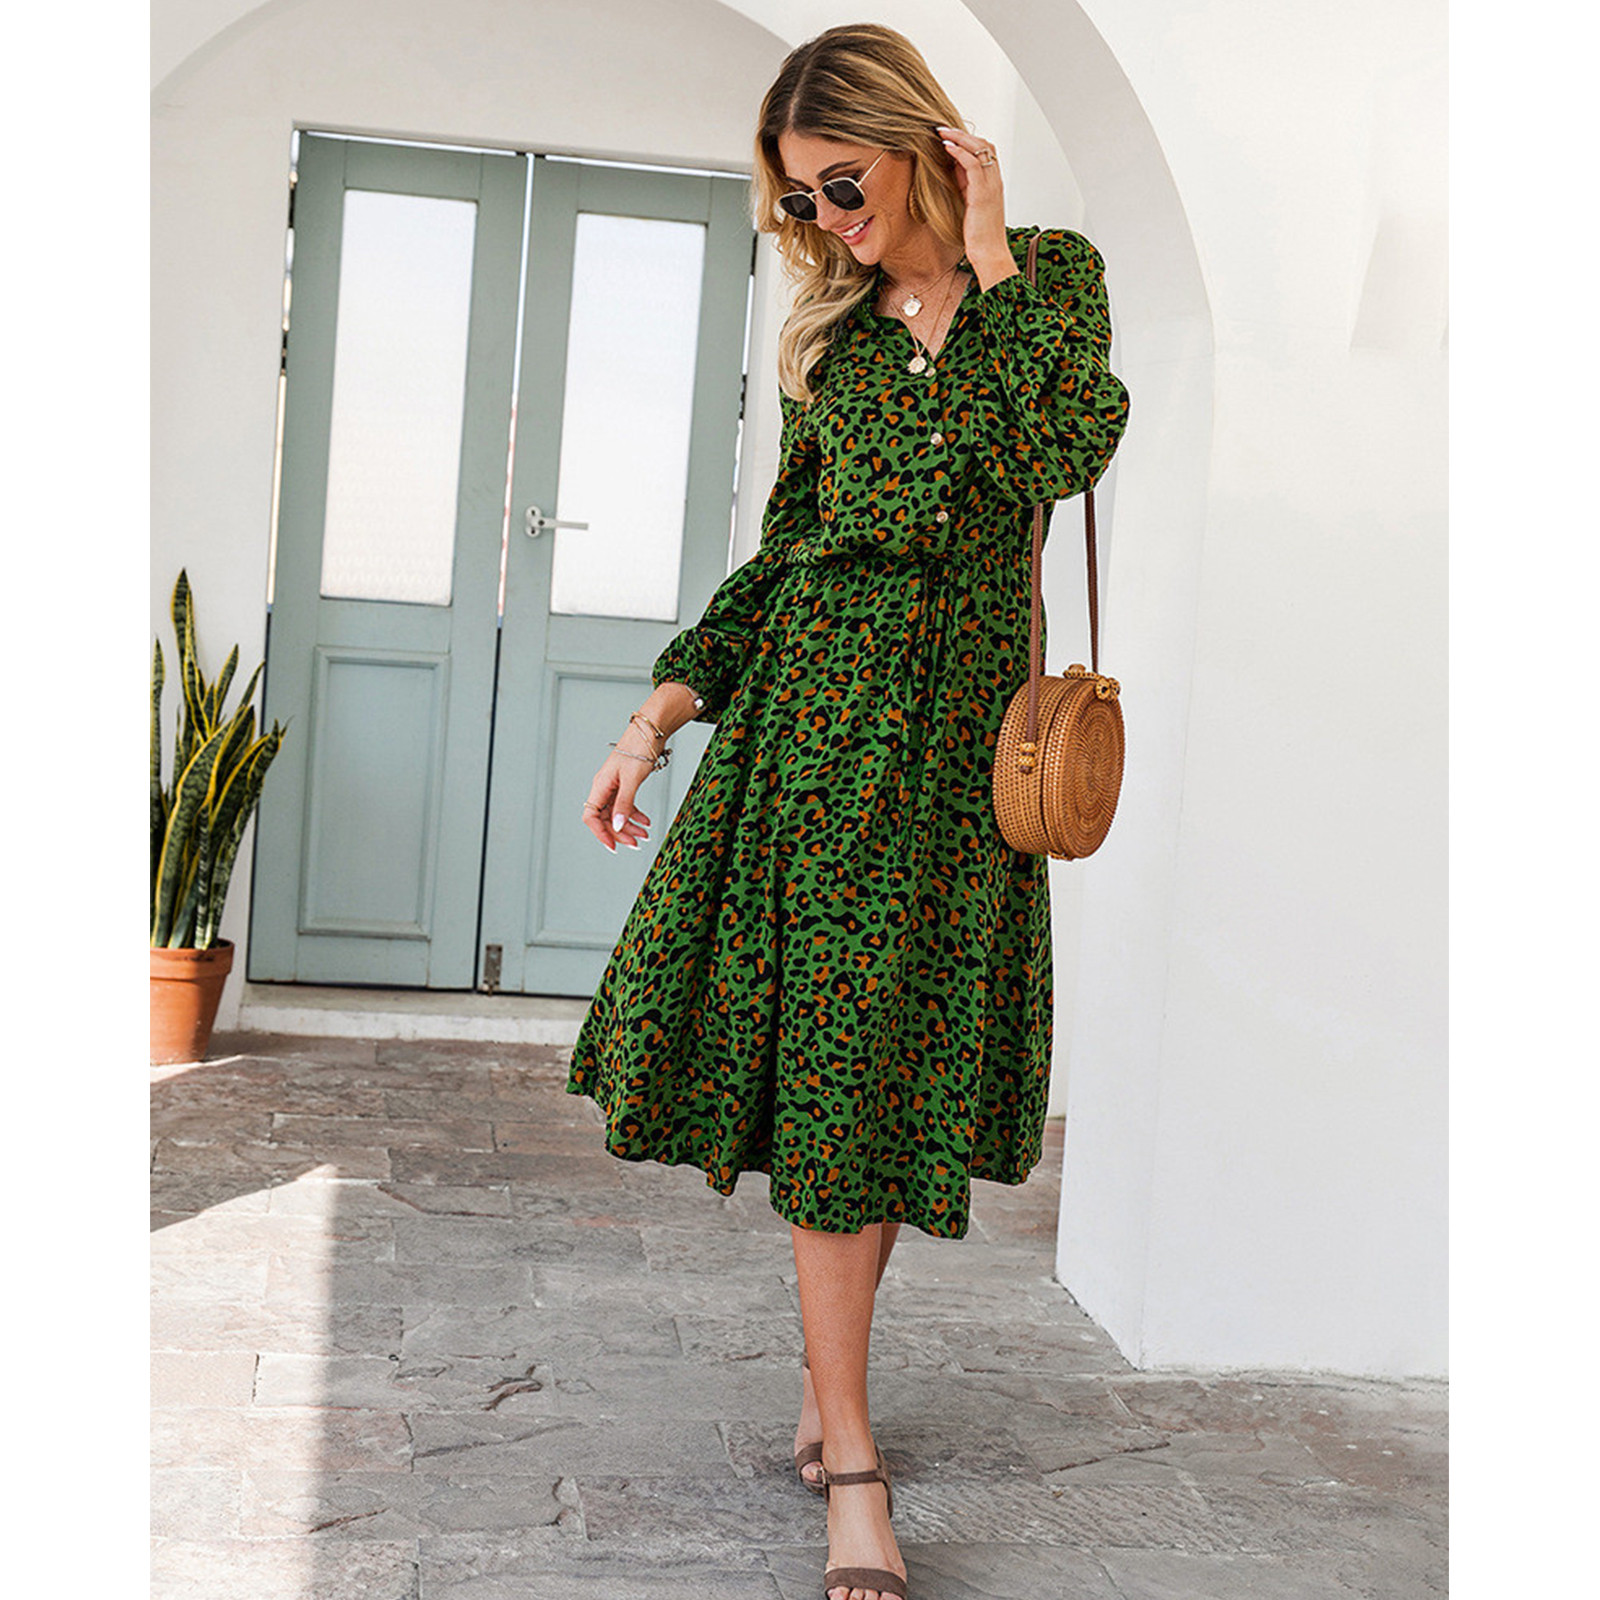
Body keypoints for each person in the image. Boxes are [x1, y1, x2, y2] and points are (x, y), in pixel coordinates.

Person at [568, 22, 1130, 1600]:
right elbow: (787, 564)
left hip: (963, 780)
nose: (822, 218)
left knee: (883, 1094)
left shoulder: (1051, 283)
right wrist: (655, 719)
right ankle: (857, 1466)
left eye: (840, 183)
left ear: (919, 146)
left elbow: (1066, 445)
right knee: (831, 1099)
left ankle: (831, 1389)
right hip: (818, 759)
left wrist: (994, 254)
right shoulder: (834, 342)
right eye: (799, 198)